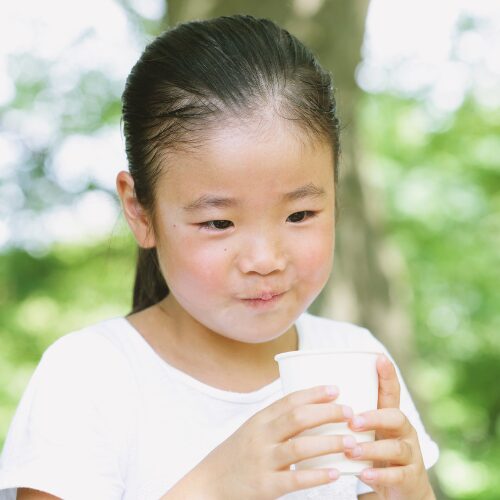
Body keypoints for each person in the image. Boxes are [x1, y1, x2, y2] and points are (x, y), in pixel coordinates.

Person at [0, 14, 439, 500]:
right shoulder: (90, 377)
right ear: (140, 211)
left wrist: (410, 490)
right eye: (218, 223)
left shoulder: (358, 360)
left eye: (299, 214)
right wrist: (214, 487)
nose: (265, 259)